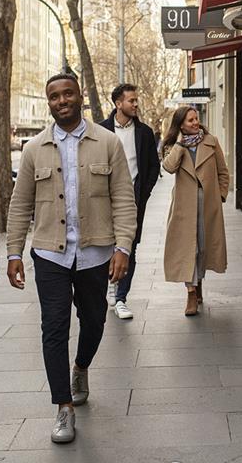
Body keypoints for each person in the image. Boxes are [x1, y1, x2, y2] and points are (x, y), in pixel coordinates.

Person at [5, 74, 136, 444]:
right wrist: (14, 252)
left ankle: (81, 367)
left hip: (96, 252)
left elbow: (125, 199)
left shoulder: (108, 143)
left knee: (94, 320)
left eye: (67, 94)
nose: (61, 101)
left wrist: (123, 247)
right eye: (54, 96)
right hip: (49, 254)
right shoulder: (34, 148)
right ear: (48, 102)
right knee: (54, 327)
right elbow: (20, 206)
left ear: (80, 97)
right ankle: (63, 406)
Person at [99, 83, 160, 319]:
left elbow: (153, 167)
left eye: (136, 100)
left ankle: (121, 298)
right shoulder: (101, 131)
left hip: (134, 201)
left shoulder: (144, 132)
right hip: (104, 202)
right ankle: (108, 290)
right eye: (131, 101)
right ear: (118, 104)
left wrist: (143, 194)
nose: (135, 104)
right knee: (105, 246)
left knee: (129, 248)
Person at [161, 106, 229, 316]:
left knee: (202, 246)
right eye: (190, 120)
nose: (195, 123)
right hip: (184, 205)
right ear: (181, 124)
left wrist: (221, 197)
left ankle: (198, 283)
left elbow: (223, 172)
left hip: (208, 203)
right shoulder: (173, 145)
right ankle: (191, 293)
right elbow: (168, 167)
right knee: (187, 247)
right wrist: (180, 145)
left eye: (196, 119)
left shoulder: (211, 142)